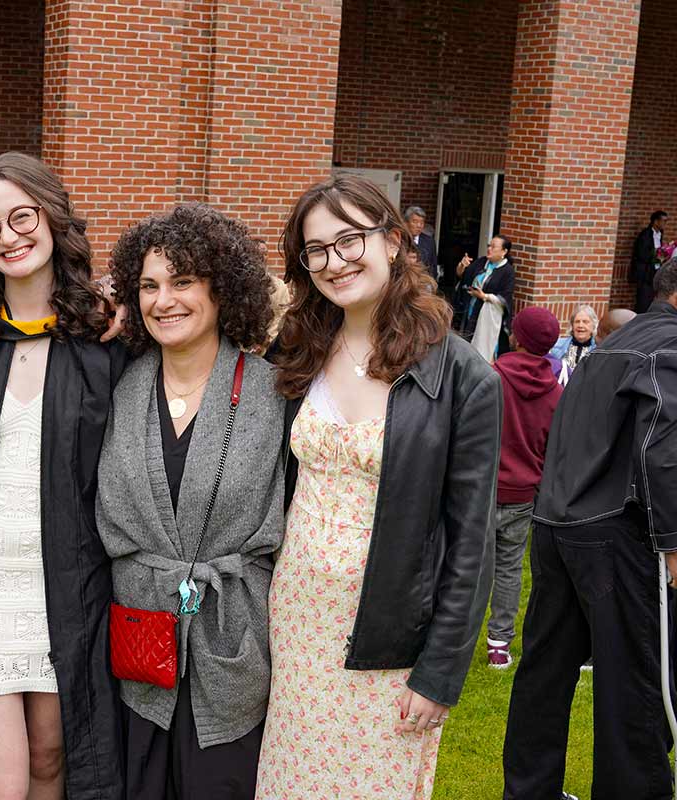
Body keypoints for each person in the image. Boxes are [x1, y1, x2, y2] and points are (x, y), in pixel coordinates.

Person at [260, 174, 499, 798]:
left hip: (391, 638)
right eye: (316, 250)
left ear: (393, 241)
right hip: (294, 623)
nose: (334, 263)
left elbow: (472, 542)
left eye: (350, 241)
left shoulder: (464, 377)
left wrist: (441, 670)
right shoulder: (299, 350)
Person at [0, 152, 125, 800]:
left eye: (21, 217)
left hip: (67, 587)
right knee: (3, 785)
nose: (8, 236)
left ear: (51, 217)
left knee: (49, 765)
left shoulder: (105, 337)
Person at [96, 203, 284, 799]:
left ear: (222, 289)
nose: (163, 300)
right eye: (148, 285)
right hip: (138, 643)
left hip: (233, 641)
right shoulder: (117, 385)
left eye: (182, 282)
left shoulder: (274, 392)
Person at [503, 259, 677, 800]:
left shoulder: (609, 347)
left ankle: (530, 791)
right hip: (615, 532)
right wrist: (674, 541)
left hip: (558, 522)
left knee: (545, 671)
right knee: (634, 680)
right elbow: (665, 448)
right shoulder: (667, 347)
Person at [485, 307, 563, 669]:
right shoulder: (556, 395)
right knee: (509, 568)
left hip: (481, 491)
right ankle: (499, 643)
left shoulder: (491, 378)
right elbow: (553, 450)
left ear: (517, 337)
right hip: (523, 494)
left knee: (465, 564)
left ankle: (454, 637)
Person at [454, 235, 515, 360]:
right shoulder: (481, 262)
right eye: (489, 246)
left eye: (494, 247)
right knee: (466, 341)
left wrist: (484, 296)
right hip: (471, 309)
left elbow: (506, 297)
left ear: (504, 251)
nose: (489, 249)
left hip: (489, 317)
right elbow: (462, 276)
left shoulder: (507, 271)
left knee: (482, 349)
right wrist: (462, 265)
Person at [547, 304, 597, 387]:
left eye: (585, 322)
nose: (580, 325)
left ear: (593, 325)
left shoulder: (599, 350)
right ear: (572, 325)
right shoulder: (556, 345)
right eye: (577, 322)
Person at [632, 210, 667, 313]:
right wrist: (656, 254)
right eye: (663, 221)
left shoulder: (660, 234)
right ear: (656, 221)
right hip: (645, 272)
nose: (665, 223)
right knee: (643, 298)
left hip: (654, 270)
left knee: (651, 296)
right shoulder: (645, 235)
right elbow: (641, 254)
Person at [405, 205, 439, 280]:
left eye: (422, 222)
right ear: (406, 223)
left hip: (423, 284)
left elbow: (433, 267)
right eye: (415, 221)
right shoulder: (399, 239)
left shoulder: (429, 241)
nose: (419, 225)